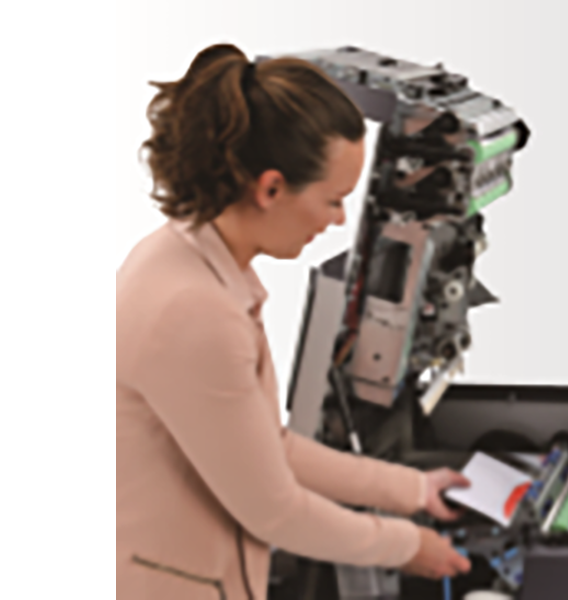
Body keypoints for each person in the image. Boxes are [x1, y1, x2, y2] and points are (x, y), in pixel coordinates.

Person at [117, 43, 472, 600]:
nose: (338, 220)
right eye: (333, 200)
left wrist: (411, 490)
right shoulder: (194, 312)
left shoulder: (192, 260)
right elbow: (275, 512)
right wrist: (407, 545)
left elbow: (268, 447)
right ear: (271, 188)